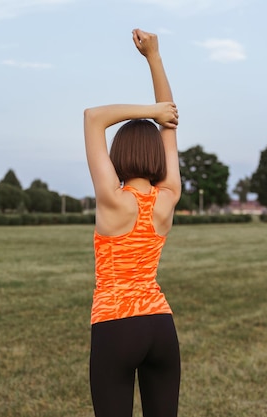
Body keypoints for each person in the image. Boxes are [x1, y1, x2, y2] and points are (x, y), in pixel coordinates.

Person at [83, 28, 181, 417]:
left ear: (118, 155)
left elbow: (93, 118)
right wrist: (154, 58)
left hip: (115, 324)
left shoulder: (113, 200)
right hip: (160, 325)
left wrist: (149, 112)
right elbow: (170, 128)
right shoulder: (167, 198)